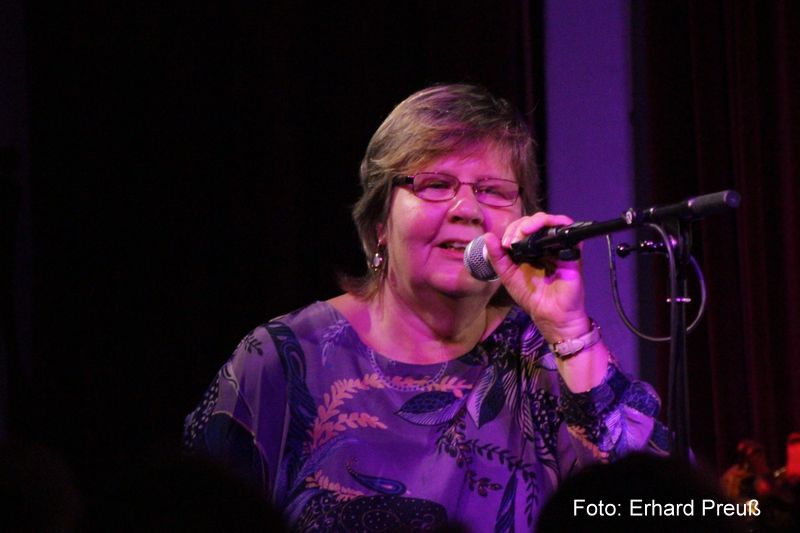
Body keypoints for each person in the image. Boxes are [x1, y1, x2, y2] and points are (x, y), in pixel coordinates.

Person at [183, 83, 669, 531]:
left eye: (493, 191)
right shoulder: (284, 362)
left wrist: (567, 329)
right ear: (379, 224)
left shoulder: (544, 359)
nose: (468, 209)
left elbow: (661, 507)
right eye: (435, 184)